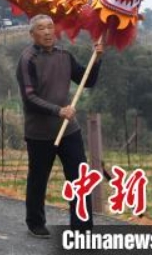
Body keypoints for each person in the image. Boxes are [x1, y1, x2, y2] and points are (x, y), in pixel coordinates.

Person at [16, 14, 103, 238]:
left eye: (50, 27)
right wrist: (58, 110)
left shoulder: (64, 55)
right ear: (32, 34)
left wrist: (97, 58)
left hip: (69, 130)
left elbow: (87, 80)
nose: (47, 32)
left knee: (79, 178)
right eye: (41, 28)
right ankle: (35, 222)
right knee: (38, 178)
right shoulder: (27, 59)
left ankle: (82, 228)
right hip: (40, 132)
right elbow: (29, 98)